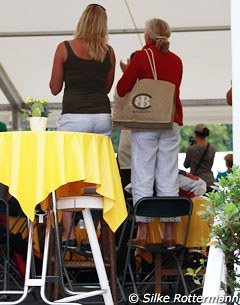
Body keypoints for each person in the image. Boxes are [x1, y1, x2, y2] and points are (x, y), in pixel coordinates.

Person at [49, 3, 116, 250]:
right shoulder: (108, 52)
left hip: (74, 117)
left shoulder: (64, 48)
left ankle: (67, 230)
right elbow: (106, 88)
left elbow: (55, 88)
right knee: (96, 175)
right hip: (101, 115)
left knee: (67, 172)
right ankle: (92, 232)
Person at [116, 18, 183, 249]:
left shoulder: (144, 56)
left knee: (142, 175)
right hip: (170, 120)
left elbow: (122, 89)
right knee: (168, 175)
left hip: (147, 123)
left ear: (147, 36)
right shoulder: (176, 60)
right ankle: (169, 234)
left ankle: (143, 233)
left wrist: (129, 73)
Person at [184, 123, 216, 193]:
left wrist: (190, 147)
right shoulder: (212, 148)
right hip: (210, 181)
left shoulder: (191, 149)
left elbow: (186, 165)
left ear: (195, 133)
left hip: (197, 182)